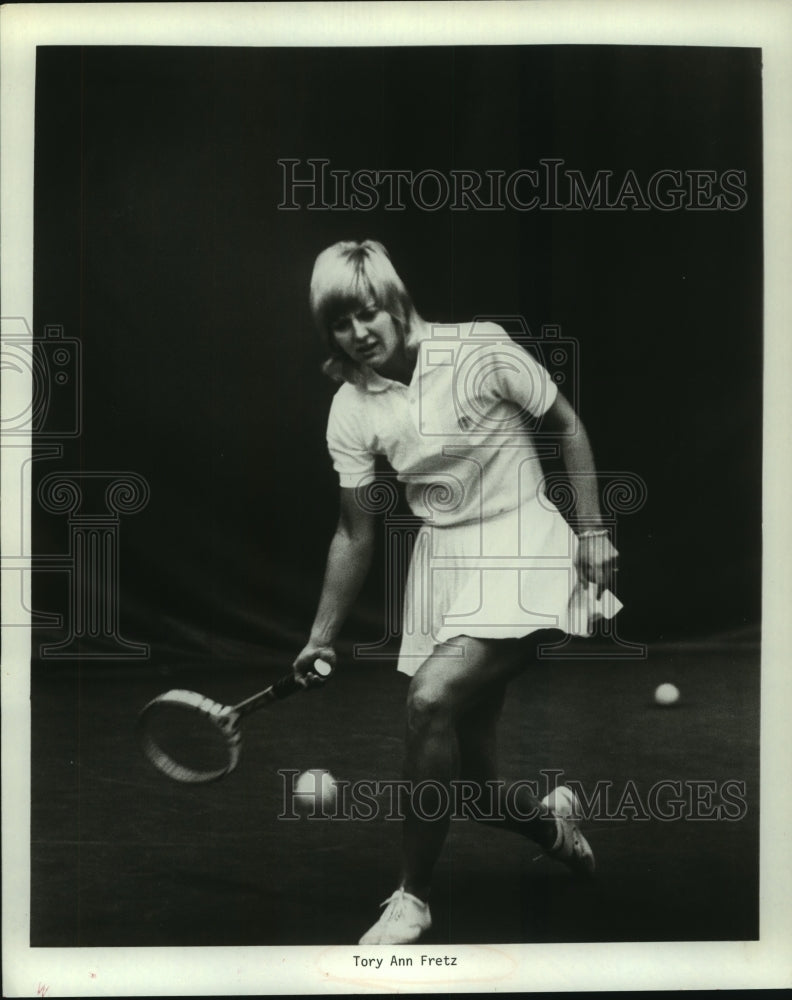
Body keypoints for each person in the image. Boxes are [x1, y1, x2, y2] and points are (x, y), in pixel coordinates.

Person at [292, 239, 621, 945]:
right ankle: (552, 828)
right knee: (472, 785)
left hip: (526, 542)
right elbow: (355, 534)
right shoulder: (351, 409)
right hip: (445, 566)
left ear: (397, 304)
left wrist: (592, 531)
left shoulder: (479, 348)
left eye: (368, 313)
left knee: (430, 697)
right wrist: (320, 636)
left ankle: (413, 897)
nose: (358, 334)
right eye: (340, 323)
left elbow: (566, 424)